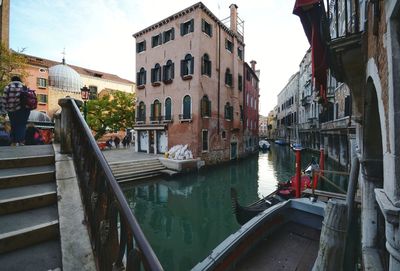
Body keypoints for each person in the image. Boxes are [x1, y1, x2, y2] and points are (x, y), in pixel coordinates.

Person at [1, 76, 31, 146]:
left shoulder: (7, 87)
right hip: (23, 110)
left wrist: (4, 111)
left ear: (12, 80)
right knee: (22, 125)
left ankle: (14, 142)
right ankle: (21, 142)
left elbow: (4, 100)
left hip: (12, 110)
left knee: (14, 125)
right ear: (19, 80)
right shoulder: (24, 87)